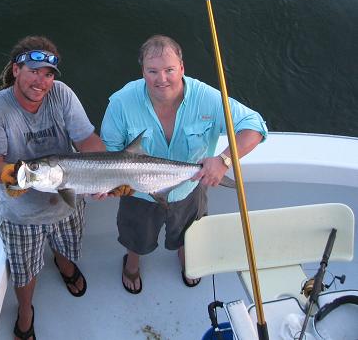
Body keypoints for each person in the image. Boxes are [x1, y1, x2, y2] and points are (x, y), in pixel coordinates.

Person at [0, 36, 130, 340]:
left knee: (68, 248)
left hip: (66, 198)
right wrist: (14, 174)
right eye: (34, 71)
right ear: (16, 70)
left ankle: (65, 267)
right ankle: (26, 310)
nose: (41, 81)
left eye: (48, 74)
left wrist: (113, 174)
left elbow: (87, 141)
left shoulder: (62, 95)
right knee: (24, 272)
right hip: (20, 213)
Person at [100, 34, 268, 294]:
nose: (161, 78)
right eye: (152, 71)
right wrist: (110, 184)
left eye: (169, 70)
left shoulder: (207, 98)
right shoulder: (121, 102)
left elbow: (255, 126)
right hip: (138, 193)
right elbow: (110, 153)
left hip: (190, 189)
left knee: (189, 234)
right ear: (142, 71)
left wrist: (223, 160)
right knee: (137, 237)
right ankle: (132, 263)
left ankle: (185, 256)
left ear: (182, 68)